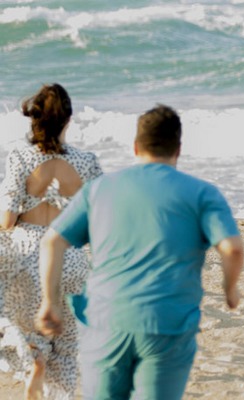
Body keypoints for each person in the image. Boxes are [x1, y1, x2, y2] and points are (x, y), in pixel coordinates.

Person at [35, 105, 244, 400]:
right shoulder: (202, 193)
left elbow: (52, 241)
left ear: (135, 147)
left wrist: (49, 302)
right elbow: (232, 248)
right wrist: (230, 290)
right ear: (178, 149)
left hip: (106, 320)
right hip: (166, 323)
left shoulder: (99, 189)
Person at [0, 84, 102, 400]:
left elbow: (7, 219)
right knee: (67, 341)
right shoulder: (87, 161)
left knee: (23, 324)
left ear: (34, 121)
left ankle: (34, 359)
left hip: (26, 253)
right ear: (68, 120)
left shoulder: (20, 156)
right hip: (69, 257)